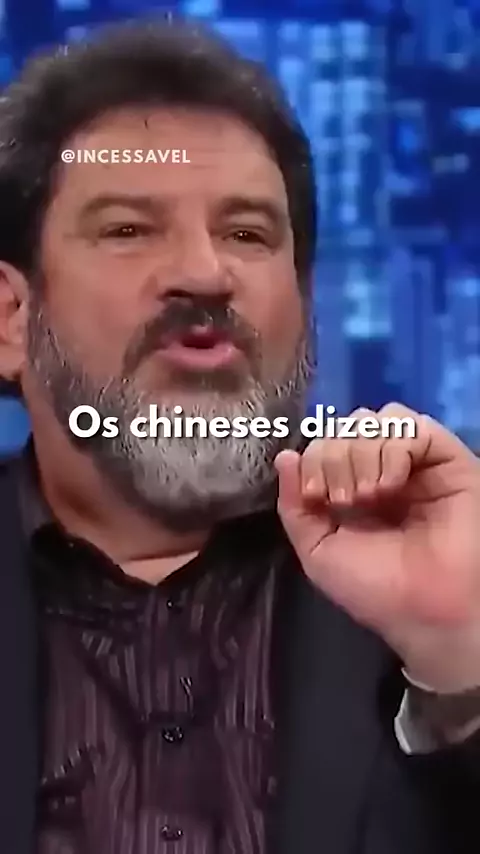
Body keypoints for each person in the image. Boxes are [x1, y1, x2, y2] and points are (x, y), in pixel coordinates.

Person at [0, 17, 479, 854]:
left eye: (248, 234)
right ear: (11, 317)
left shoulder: (443, 554)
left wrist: (462, 669)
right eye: (128, 229)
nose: (205, 273)